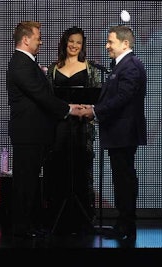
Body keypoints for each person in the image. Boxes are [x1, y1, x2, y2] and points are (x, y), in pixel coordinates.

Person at [6, 21, 84, 239]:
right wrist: (69, 109)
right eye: (38, 37)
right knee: (25, 182)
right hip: (28, 134)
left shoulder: (27, 63)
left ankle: (28, 225)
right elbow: (41, 96)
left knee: (30, 181)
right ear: (26, 39)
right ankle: (21, 229)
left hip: (35, 133)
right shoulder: (21, 63)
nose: (40, 41)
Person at [80, 25, 147, 240]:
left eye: (111, 42)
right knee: (121, 178)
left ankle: (126, 224)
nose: (107, 46)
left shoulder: (131, 66)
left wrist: (95, 111)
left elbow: (123, 98)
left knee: (124, 178)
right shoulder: (120, 66)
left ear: (125, 43)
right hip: (118, 132)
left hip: (124, 132)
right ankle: (123, 223)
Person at [44, 26, 101, 234]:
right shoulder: (52, 69)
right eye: (71, 41)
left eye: (78, 42)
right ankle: (57, 218)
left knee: (81, 168)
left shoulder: (90, 69)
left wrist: (87, 110)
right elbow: (47, 99)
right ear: (64, 43)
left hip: (82, 129)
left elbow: (97, 98)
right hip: (59, 128)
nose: (74, 45)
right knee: (58, 169)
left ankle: (81, 220)